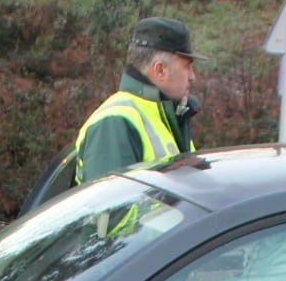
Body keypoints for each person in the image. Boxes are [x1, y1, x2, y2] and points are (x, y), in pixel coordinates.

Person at [73, 16, 204, 187]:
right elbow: (112, 210)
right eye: (187, 66)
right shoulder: (114, 123)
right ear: (160, 70)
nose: (192, 77)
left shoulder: (168, 116)